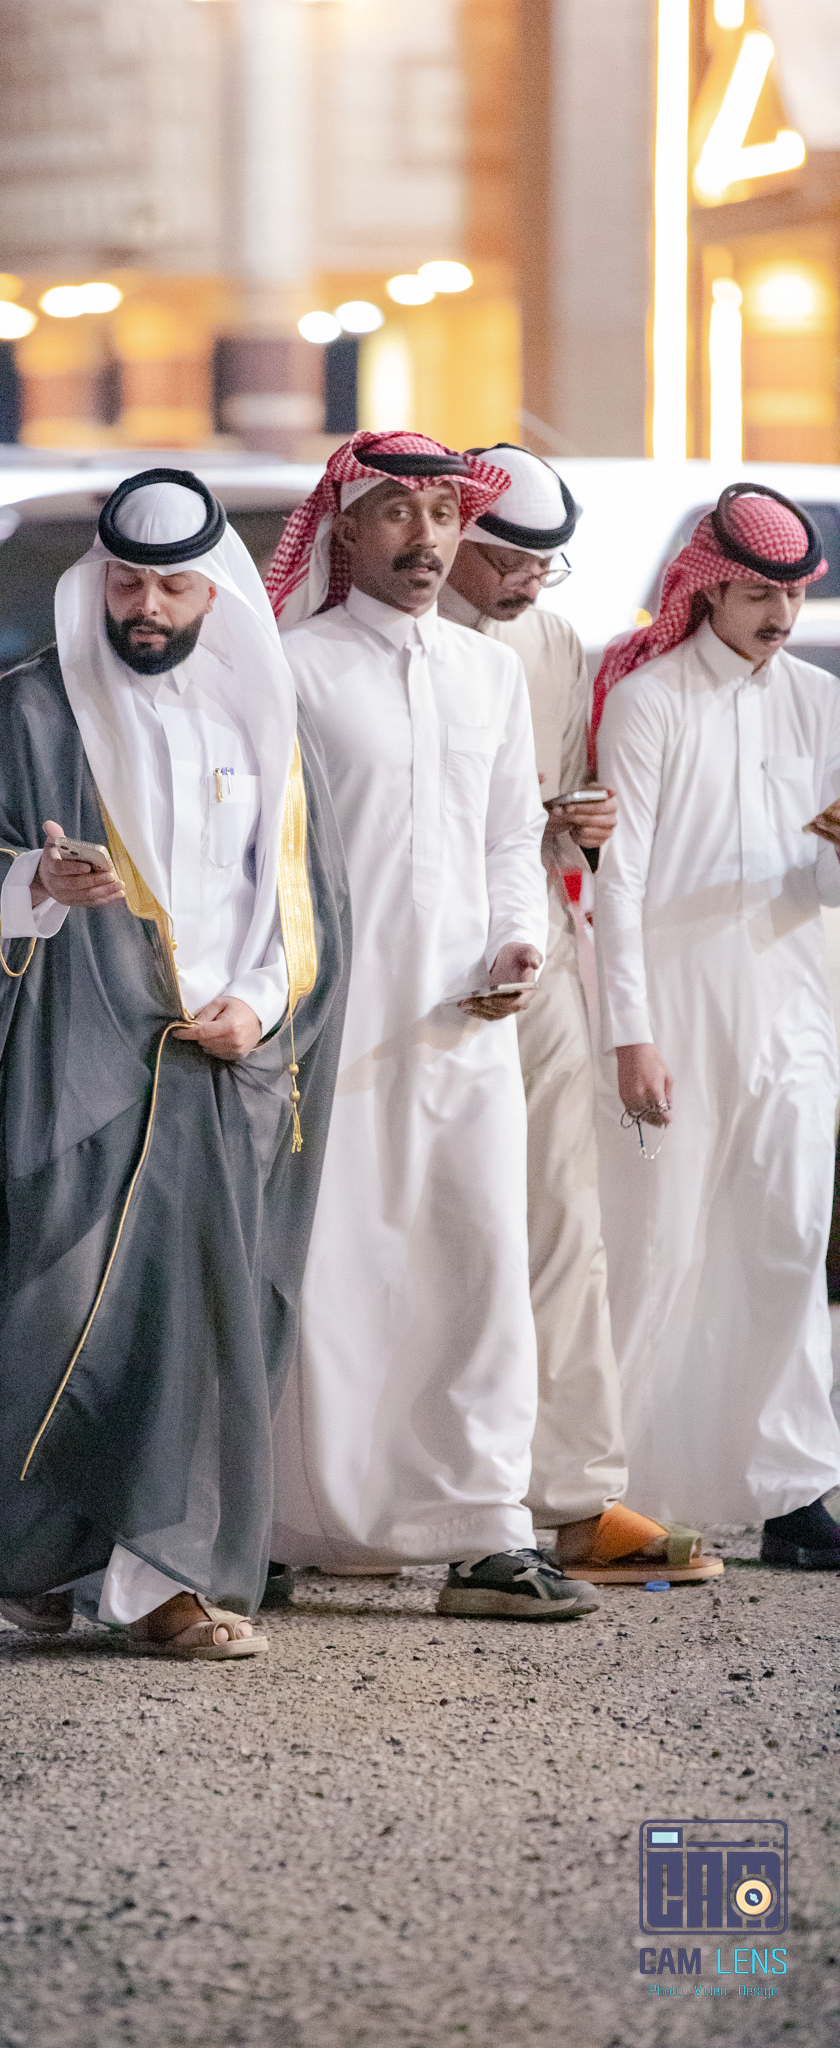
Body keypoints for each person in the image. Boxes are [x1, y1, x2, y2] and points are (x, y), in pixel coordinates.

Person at [0, 470, 348, 1660]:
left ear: (214, 592)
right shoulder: (35, 709)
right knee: (44, 1312)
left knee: (186, 1328)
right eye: (126, 582)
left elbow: (308, 898)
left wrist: (261, 1000)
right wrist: (40, 883)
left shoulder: (263, 716)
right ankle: (42, 1549)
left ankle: (158, 1581)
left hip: (217, 1069)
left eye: (171, 586)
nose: (146, 607)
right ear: (98, 581)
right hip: (68, 1062)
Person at [265, 429, 597, 1621]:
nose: (426, 538)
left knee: (478, 1263)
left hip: (466, 1021)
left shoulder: (486, 673)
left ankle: (483, 1528)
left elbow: (512, 836)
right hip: (329, 1025)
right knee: (331, 1265)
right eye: (398, 513)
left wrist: (520, 942)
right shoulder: (293, 667)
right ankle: (287, 1521)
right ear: (345, 529)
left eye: (445, 514)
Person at [438, 445, 716, 1587]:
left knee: (563, 1222)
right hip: (407, 978)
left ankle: (574, 1499)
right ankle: (376, 1500)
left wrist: (574, 821)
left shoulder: (552, 642)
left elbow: (542, 813)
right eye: (507, 561)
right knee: (407, 1231)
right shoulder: (362, 638)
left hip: (537, 960)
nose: (525, 584)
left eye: (543, 567)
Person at [594, 483, 840, 1568]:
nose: (777, 615)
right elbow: (618, 880)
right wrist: (630, 1032)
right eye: (755, 595)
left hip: (792, 1013)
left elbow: (819, 878)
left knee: (786, 1241)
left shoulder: (819, 702)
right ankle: (607, 1488)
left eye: (791, 595)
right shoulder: (649, 700)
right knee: (656, 1243)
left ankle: (792, 1491)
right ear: (707, 590)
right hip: (674, 1012)